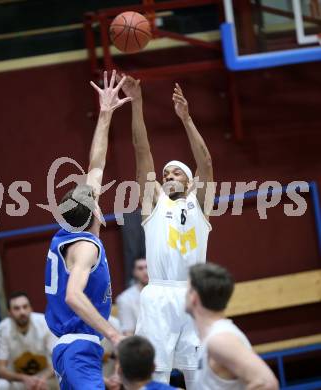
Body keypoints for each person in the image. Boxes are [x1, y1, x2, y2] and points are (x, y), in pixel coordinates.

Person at [119, 74, 214, 388]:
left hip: (192, 295)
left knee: (198, 377)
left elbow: (207, 162)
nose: (169, 175)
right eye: (165, 173)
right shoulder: (154, 204)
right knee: (155, 377)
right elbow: (141, 151)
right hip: (158, 295)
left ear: (188, 182)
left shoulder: (199, 205)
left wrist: (186, 119)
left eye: (177, 172)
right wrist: (137, 103)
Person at [44, 70, 131, 390]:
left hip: (72, 348)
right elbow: (73, 295)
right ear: (95, 210)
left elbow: (96, 166)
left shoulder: (69, 229)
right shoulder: (86, 247)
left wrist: (105, 113)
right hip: (80, 346)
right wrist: (115, 336)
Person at [186, 263, 279, 390]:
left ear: (194, 297)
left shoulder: (219, 340)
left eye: (187, 290)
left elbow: (267, 384)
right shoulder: (215, 336)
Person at [0, 292, 58, 390]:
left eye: (25, 307)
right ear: (9, 312)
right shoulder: (3, 328)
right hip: (19, 379)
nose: (22, 312)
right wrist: (24, 379)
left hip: (45, 377)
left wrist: (42, 378)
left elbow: (58, 360)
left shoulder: (44, 322)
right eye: (16, 308)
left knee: (64, 378)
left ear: (31, 308)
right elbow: (0, 369)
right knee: (1, 385)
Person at [116, 257, 148, 335]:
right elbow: (128, 333)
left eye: (147, 267)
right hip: (141, 343)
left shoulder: (163, 294)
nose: (145, 271)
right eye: (140, 268)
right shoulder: (125, 299)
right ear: (134, 272)